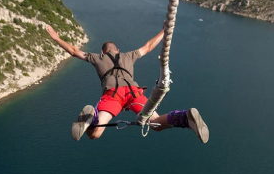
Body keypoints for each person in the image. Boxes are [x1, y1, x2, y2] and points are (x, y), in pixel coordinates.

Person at [45, 24, 209, 143]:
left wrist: (57, 38)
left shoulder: (97, 57)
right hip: (133, 93)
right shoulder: (128, 56)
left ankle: (92, 117)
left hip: (112, 95)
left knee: (95, 134)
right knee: (156, 123)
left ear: (103, 51)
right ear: (118, 50)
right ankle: (184, 117)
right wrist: (164, 31)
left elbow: (74, 51)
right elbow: (148, 47)